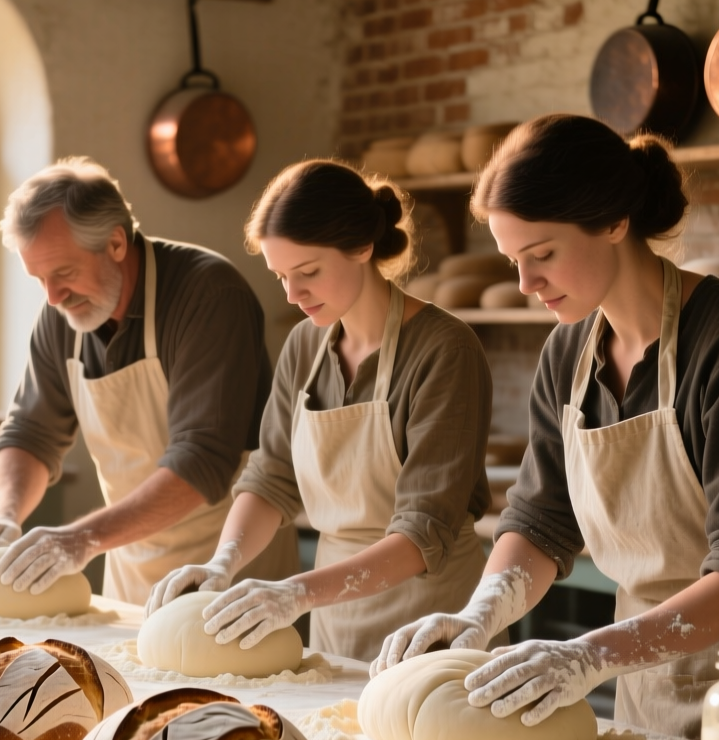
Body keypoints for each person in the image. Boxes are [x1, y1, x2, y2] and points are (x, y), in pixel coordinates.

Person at [372, 115, 719, 740]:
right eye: (513, 262)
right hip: (647, 669)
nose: (527, 283)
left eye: (544, 254)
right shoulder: (569, 351)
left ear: (616, 221)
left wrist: (589, 655)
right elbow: (540, 521)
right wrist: (479, 615)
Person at [147, 159, 495, 663]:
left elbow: (423, 532)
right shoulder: (304, 346)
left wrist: (298, 592)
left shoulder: (446, 349)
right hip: (334, 614)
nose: (292, 294)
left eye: (308, 272)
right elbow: (271, 478)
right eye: (282, 276)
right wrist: (224, 563)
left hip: (429, 623)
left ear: (362, 247)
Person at [0, 157, 297, 604]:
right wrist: (5, 514)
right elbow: (31, 433)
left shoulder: (207, 294)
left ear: (115, 242)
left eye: (64, 274)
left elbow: (202, 460)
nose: (52, 297)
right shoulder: (61, 314)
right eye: (39, 279)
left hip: (226, 574)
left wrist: (80, 538)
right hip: (128, 567)